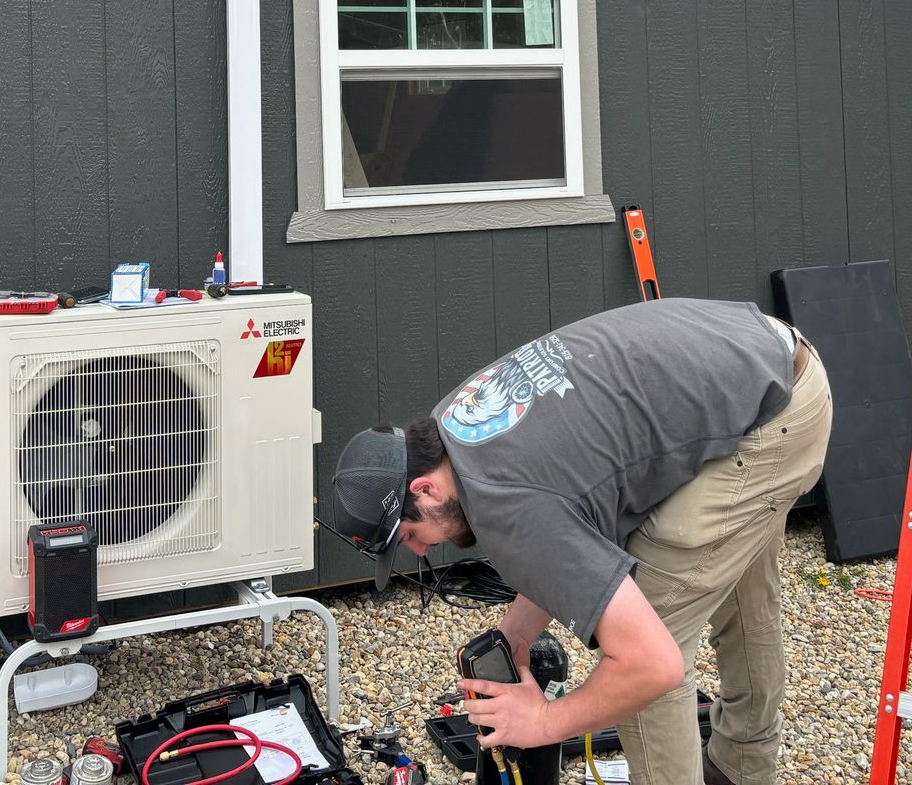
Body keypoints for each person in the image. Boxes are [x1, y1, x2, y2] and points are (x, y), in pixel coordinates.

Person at [330, 297, 832, 785]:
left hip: (769, 421)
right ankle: (742, 769)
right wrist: (519, 632)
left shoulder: (505, 509)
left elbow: (650, 666)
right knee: (735, 583)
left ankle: (734, 766)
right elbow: (558, 516)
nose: (419, 551)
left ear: (425, 489)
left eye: (411, 534)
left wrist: (544, 722)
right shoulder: (452, 428)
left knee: (648, 641)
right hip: (766, 360)